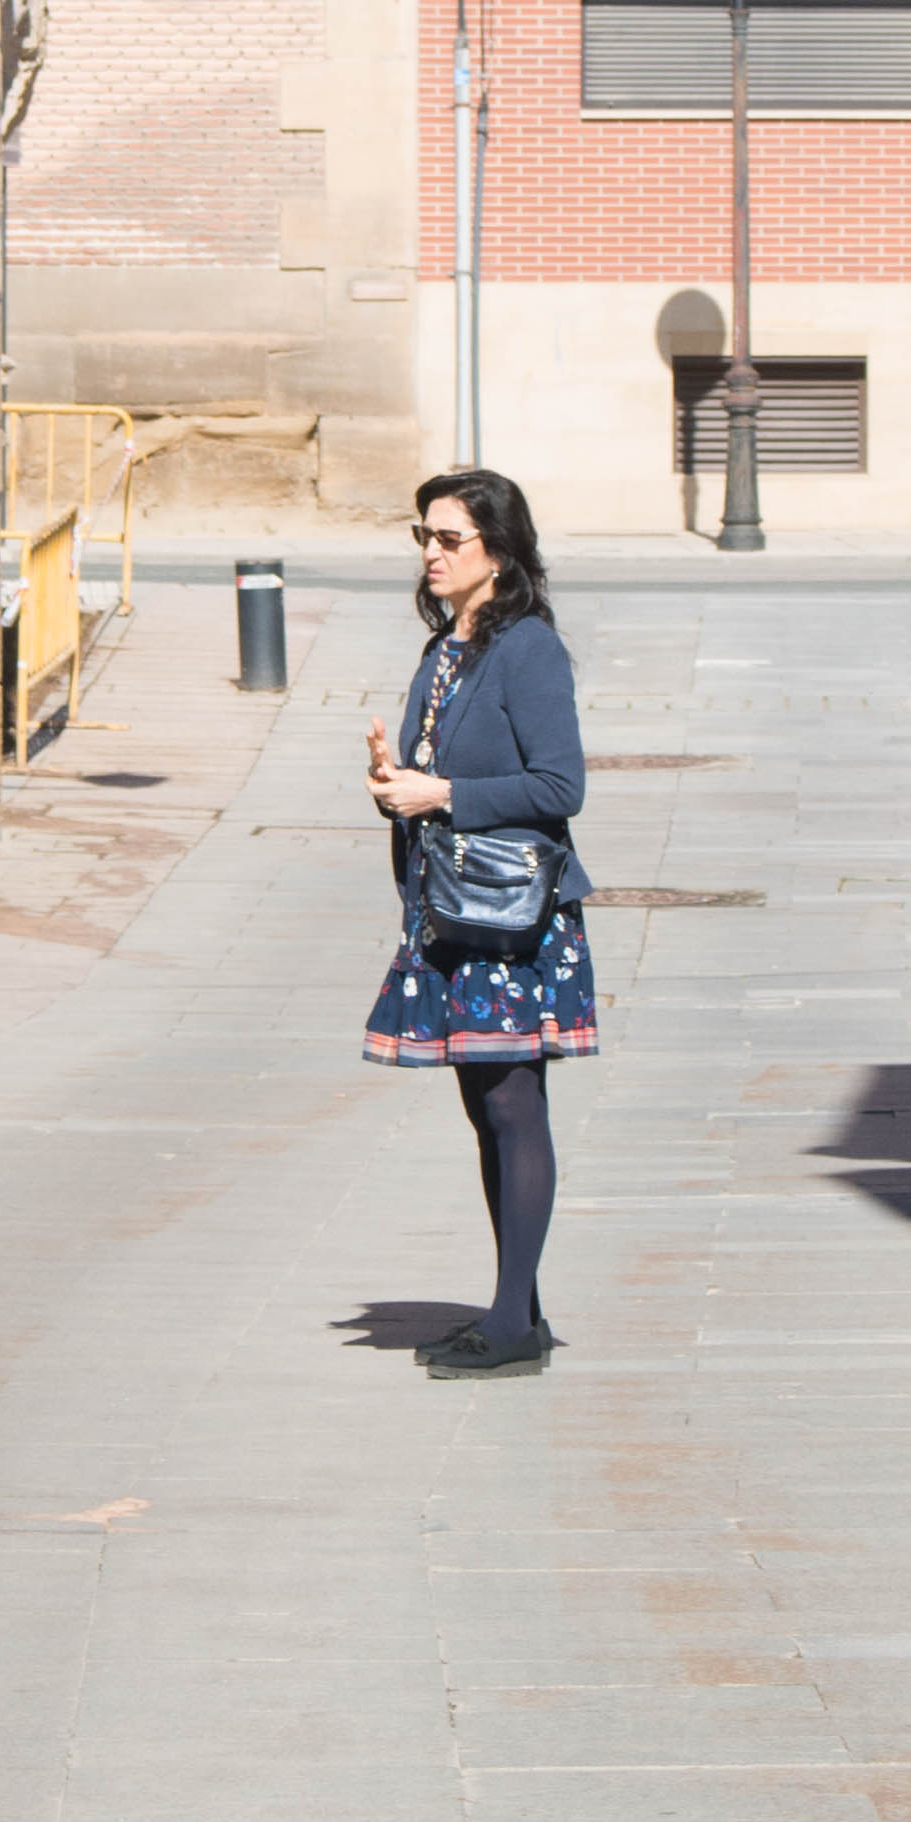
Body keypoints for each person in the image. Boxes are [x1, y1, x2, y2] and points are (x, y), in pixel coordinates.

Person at [361, 468, 590, 1378]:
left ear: (497, 553)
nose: (431, 554)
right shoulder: (443, 650)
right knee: (484, 1112)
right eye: (424, 536)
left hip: (510, 922)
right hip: (449, 910)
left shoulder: (527, 649)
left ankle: (511, 1323)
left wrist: (443, 792)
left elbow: (560, 786)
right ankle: (515, 1310)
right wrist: (395, 786)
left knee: (512, 1105)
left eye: (449, 539)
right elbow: (425, 782)